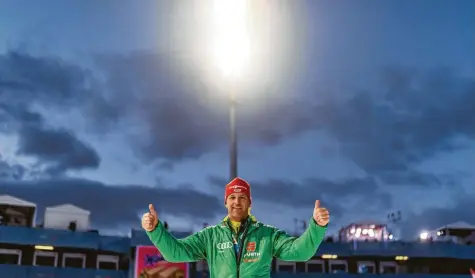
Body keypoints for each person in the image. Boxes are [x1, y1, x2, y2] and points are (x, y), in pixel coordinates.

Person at [141, 177, 330, 278]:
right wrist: (155, 229)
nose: (237, 202)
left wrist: (316, 226)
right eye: (232, 197)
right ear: (225, 202)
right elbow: (176, 254)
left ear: (250, 203)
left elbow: (299, 252)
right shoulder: (210, 236)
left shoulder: (267, 235)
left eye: (242, 198)